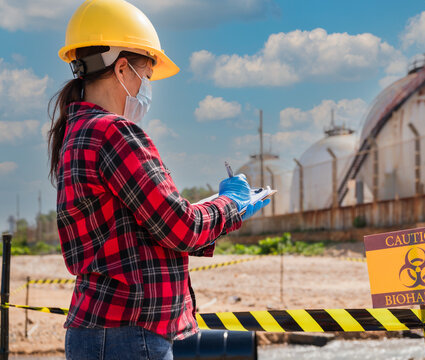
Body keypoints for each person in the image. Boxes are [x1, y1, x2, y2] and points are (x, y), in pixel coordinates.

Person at [47, 1, 269, 359]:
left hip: (100, 329)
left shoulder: (77, 132)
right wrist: (233, 205)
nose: (148, 86)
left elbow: (147, 231)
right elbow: (179, 227)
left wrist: (215, 213)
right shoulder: (114, 133)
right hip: (128, 334)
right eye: (146, 74)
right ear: (122, 68)